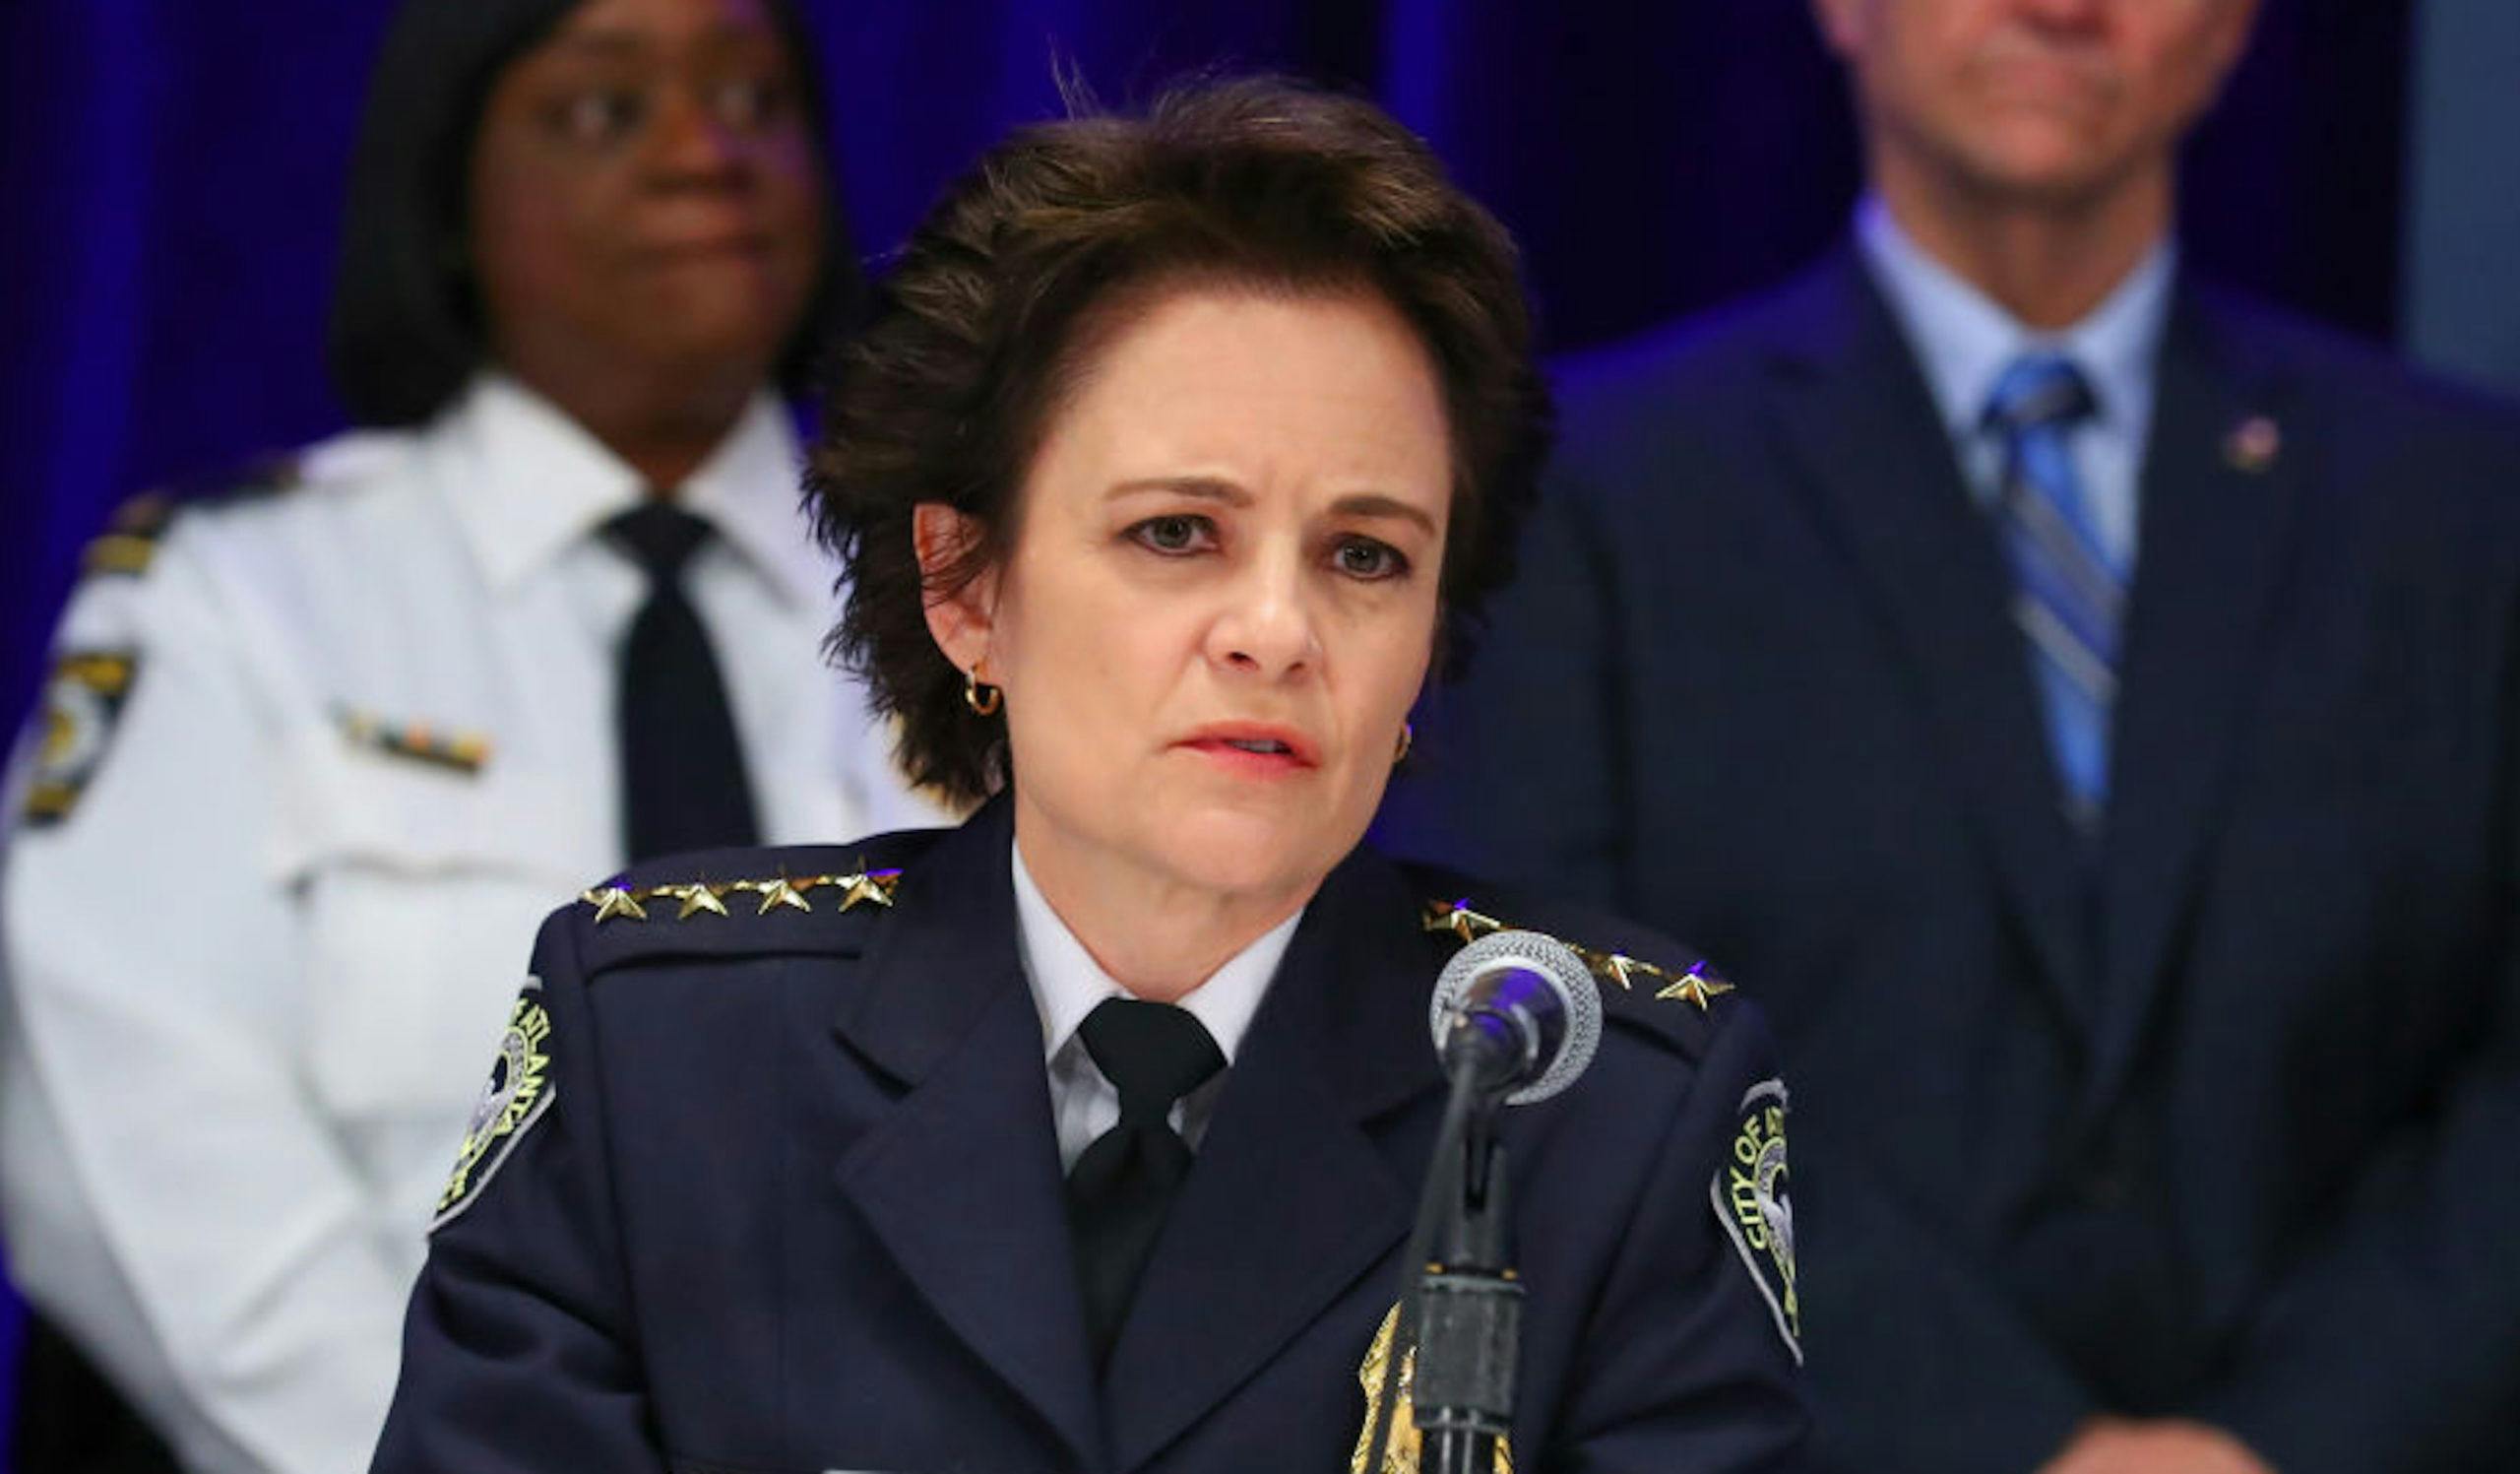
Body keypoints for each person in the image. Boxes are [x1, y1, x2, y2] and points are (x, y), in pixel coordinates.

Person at [367, 78, 1814, 1474]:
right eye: (1178, 532)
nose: (1276, 632)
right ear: (964, 585)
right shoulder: (666, 1052)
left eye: (1366, 555)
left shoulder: (1605, 1107)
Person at [1377, 1, 2520, 1471]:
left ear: (2239, 26)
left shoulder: (2462, 511)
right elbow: (1562, 1034)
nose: (2061, 5)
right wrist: (2012, 1443)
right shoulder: (1582, 497)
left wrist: (2281, 1444)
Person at [0, 1, 947, 1470]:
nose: (709, 153)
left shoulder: (977, 600)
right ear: (447, 200)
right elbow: (143, 1161)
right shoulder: (238, 600)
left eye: (756, 96)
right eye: (604, 110)